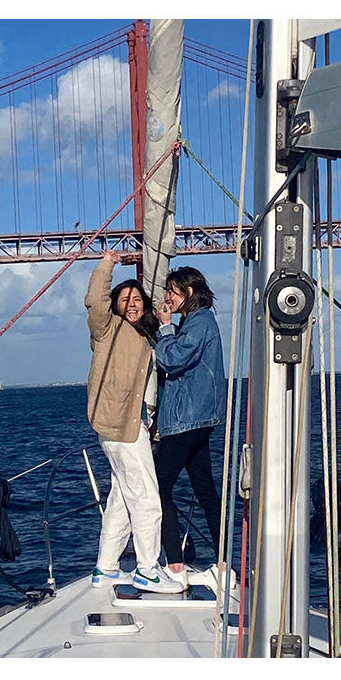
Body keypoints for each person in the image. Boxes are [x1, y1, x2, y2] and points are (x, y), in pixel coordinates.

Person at [84, 249, 182, 594]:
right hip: (118, 423)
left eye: (137, 298)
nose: (132, 303)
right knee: (145, 497)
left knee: (122, 499)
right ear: (115, 305)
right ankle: (147, 569)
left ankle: (106, 567)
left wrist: (165, 314)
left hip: (132, 425)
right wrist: (108, 263)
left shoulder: (145, 336)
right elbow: (95, 301)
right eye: (124, 299)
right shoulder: (107, 329)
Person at [153, 266, 228, 588]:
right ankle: (224, 567)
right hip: (200, 417)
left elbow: (172, 360)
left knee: (158, 488)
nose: (167, 296)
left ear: (189, 293)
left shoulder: (197, 323)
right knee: (206, 491)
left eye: (172, 290)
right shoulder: (199, 321)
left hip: (187, 419)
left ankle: (175, 566)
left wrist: (165, 328)